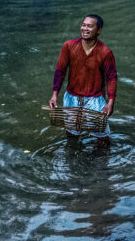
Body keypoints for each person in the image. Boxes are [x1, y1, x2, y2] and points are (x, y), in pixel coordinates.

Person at [48, 14, 117, 146]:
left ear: (99, 30)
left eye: (90, 26)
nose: (85, 28)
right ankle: (73, 160)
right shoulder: (69, 46)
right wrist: (54, 95)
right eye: (83, 25)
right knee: (72, 134)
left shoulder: (105, 52)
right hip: (72, 97)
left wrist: (110, 103)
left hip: (95, 100)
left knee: (102, 137)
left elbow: (111, 78)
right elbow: (60, 71)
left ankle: (104, 164)